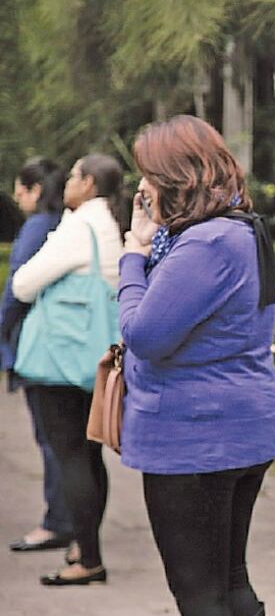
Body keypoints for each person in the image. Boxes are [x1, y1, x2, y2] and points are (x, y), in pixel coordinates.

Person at [120, 115, 275, 616]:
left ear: (176, 176)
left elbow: (144, 334)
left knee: (201, 595)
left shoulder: (205, 243)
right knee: (230, 582)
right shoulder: (240, 228)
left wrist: (133, 253)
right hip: (238, 425)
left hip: (197, 435)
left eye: (148, 173)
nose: (142, 186)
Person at [12, 153, 125, 585]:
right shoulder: (111, 224)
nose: (68, 183)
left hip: (61, 361)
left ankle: (88, 559)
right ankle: (85, 545)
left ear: (90, 183)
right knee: (89, 453)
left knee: (70, 456)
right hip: (93, 357)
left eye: (75, 176)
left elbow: (24, 283)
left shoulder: (79, 225)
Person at [3, 158, 74, 555]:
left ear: (34, 189)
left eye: (20, 189)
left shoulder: (37, 227)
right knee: (68, 443)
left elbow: (18, 289)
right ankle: (72, 521)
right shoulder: (66, 225)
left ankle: (58, 523)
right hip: (64, 346)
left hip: (41, 348)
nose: (16, 196)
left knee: (52, 440)